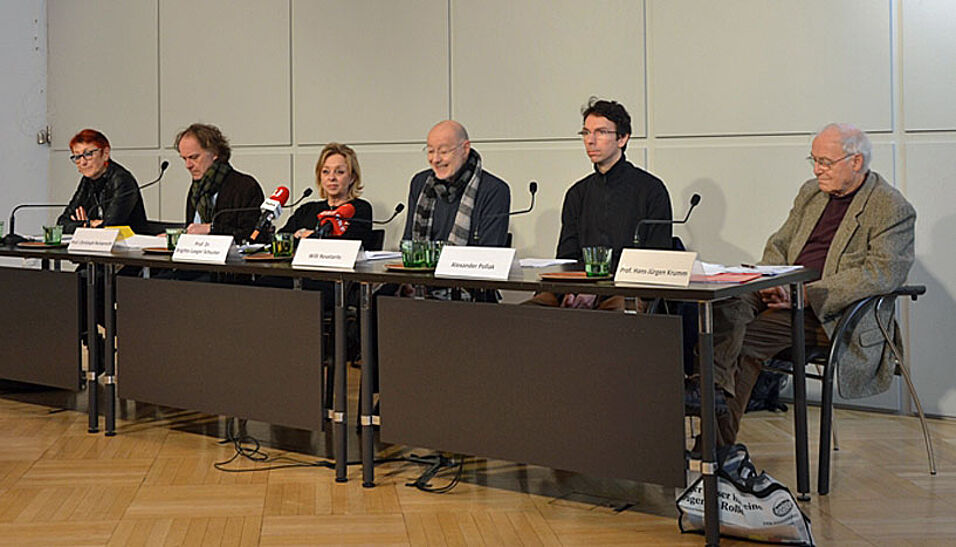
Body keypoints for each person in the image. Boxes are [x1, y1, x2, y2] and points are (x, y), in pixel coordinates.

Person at [696, 123, 917, 448]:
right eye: (813, 160)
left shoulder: (890, 208)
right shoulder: (811, 192)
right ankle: (701, 396)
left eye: (825, 162)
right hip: (785, 293)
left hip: (832, 316)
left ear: (856, 162)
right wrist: (771, 279)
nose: (817, 170)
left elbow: (881, 274)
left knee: (743, 342)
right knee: (718, 311)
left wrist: (805, 295)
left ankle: (714, 453)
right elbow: (779, 243)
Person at [529, 97, 673, 309]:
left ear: (622, 139)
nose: (590, 140)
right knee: (527, 314)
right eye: (586, 133)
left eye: (601, 132)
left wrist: (596, 290)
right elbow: (567, 258)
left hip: (627, 290)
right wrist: (577, 287)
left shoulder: (651, 190)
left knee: (615, 314)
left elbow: (654, 263)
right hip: (578, 285)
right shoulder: (577, 193)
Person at [402, 120, 510, 246]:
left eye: (443, 152)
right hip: (424, 265)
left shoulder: (493, 190)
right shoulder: (420, 183)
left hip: (469, 265)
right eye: (431, 151)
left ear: (465, 149)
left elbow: (490, 252)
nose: (436, 159)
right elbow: (409, 244)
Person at [175, 123, 264, 242]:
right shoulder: (197, 189)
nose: (188, 165)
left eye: (194, 157)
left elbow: (253, 235)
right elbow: (193, 229)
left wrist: (211, 229)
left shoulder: (245, 187)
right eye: (184, 159)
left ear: (214, 153)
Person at [278, 142, 374, 249]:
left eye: (339, 172)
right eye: (325, 172)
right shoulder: (307, 210)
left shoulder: (360, 208)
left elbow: (348, 244)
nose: (331, 177)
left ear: (352, 177)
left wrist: (304, 235)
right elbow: (280, 239)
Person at [56, 129, 149, 234]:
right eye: (77, 156)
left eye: (88, 154)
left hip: (129, 245)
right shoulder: (88, 180)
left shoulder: (122, 180)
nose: (82, 162)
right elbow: (61, 224)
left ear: (105, 154)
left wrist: (84, 226)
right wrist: (88, 224)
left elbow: (109, 227)